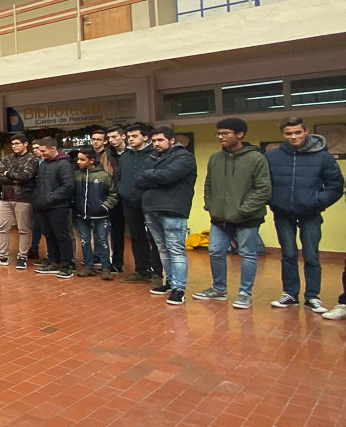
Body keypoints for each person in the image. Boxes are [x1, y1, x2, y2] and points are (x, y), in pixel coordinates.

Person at [266, 116, 344, 312]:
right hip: (283, 214)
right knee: (288, 254)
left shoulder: (323, 157)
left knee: (311, 256)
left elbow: (336, 186)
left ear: (306, 131)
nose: (293, 136)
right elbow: (263, 184)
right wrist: (273, 201)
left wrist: (315, 202)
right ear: (283, 134)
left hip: (311, 214)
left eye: (297, 132)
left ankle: (312, 297)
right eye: (289, 133)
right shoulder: (272, 157)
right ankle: (290, 294)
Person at [193, 118, 270, 309]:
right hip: (219, 217)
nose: (220, 137)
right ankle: (219, 289)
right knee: (215, 251)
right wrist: (211, 206)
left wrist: (243, 211)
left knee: (248, 254)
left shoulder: (256, 158)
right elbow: (208, 185)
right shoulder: (215, 159)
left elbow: (263, 189)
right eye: (218, 133)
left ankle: (245, 293)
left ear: (240, 134)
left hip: (247, 218)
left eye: (225, 133)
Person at [136, 126, 198, 306]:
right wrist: (157, 177)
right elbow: (138, 180)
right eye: (154, 141)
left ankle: (179, 289)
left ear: (171, 140)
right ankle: (170, 282)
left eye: (160, 140)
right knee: (162, 248)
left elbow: (169, 176)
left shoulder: (184, 157)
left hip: (173, 209)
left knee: (176, 249)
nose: (156, 144)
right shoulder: (151, 157)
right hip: (151, 208)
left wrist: (150, 175)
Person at [117, 123, 163, 289]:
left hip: (149, 202)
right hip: (129, 202)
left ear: (145, 137)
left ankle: (157, 273)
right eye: (129, 137)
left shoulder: (154, 155)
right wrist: (122, 190)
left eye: (135, 136)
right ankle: (141, 271)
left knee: (154, 237)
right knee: (136, 236)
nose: (131, 139)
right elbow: (120, 177)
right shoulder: (125, 156)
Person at [30, 137, 76, 279]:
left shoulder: (64, 164)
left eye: (43, 151)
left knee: (62, 236)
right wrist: (37, 198)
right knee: (49, 235)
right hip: (41, 205)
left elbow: (68, 186)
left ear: (53, 148)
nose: (41, 153)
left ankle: (67, 266)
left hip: (58, 206)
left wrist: (50, 197)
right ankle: (53, 261)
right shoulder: (44, 163)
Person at [73, 147, 118, 280]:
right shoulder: (77, 175)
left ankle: (106, 267)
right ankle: (88, 266)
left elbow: (113, 194)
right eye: (78, 159)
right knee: (85, 240)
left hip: (101, 215)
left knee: (102, 240)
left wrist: (105, 206)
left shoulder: (104, 176)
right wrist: (74, 204)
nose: (78, 162)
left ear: (91, 160)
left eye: (82, 159)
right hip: (81, 214)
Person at [0, 133, 36, 268]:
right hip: (5, 198)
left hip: (23, 198)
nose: (14, 146)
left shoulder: (32, 159)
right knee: (2, 228)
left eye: (17, 143)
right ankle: (2, 256)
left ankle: (22, 257)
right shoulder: (8, 158)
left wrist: (8, 174)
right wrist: (14, 178)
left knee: (23, 229)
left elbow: (26, 176)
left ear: (25, 144)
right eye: (12, 144)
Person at [105, 126, 128, 273]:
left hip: (132, 197)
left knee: (140, 234)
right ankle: (117, 263)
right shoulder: (108, 154)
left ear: (123, 136)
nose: (111, 140)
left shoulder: (132, 153)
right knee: (116, 232)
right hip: (115, 196)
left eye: (114, 137)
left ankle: (146, 266)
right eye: (109, 138)